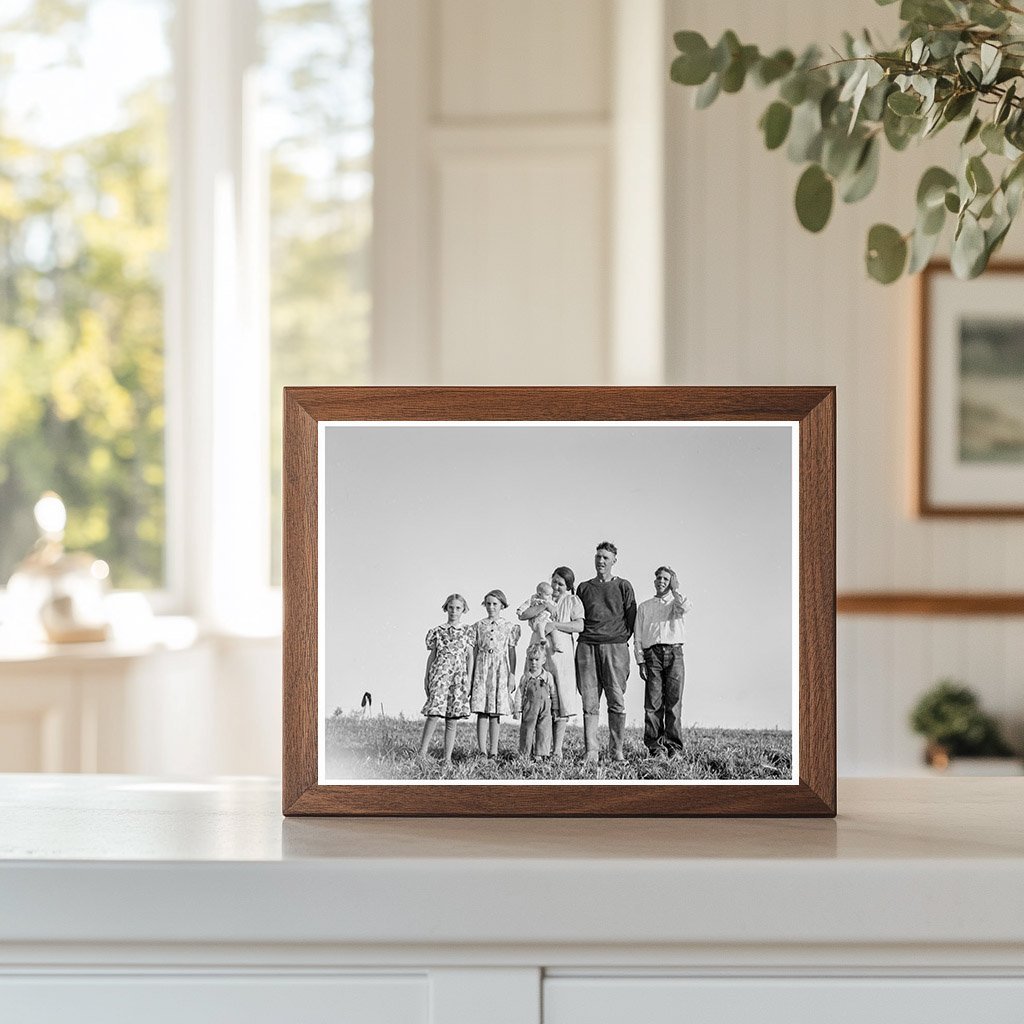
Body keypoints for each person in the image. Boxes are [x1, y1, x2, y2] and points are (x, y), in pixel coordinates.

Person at [575, 541, 636, 763]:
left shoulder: (624, 586)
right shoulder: (583, 588)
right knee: (589, 702)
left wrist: (617, 639)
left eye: (605, 558)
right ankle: (591, 751)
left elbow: (632, 620)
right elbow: (576, 617)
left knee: (616, 700)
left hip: (616, 648)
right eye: (598, 557)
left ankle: (616, 751)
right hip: (587, 647)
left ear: (614, 561)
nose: (601, 561)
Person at [633, 566, 692, 758]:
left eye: (666, 579)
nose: (661, 581)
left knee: (674, 703)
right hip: (652, 656)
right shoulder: (645, 607)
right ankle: (656, 748)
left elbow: (685, 606)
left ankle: (674, 747)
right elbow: (638, 637)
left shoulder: (676, 603)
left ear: (672, 582)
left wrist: (675, 589)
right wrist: (641, 661)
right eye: (659, 578)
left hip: (674, 653)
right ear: (654, 581)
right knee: (653, 703)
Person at [418, 593, 475, 762]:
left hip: (458, 678)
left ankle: (447, 758)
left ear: (463, 609)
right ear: (446, 608)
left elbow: (470, 656)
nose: (454, 611)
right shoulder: (437, 631)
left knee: (452, 718)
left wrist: (469, 680)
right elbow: (432, 656)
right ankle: (421, 753)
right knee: (434, 714)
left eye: (458, 608)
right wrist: (427, 677)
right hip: (440, 675)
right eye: (451, 607)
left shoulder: (467, 631)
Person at [539, 566, 584, 759]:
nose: (556, 586)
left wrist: (555, 625)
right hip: (542, 652)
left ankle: (557, 749)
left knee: (562, 700)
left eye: (561, 583)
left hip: (562, 654)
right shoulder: (543, 599)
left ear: (568, 586)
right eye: (554, 581)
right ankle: (541, 748)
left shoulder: (572, 600)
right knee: (543, 700)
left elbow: (579, 625)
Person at [470, 589, 520, 758]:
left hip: (500, 668)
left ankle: (494, 751)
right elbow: (474, 651)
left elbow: (511, 652)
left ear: (502, 606)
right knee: (482, 710)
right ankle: (482, 750)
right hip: (482, 667)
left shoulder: (508, 626)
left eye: (495, 604)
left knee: (495, 711)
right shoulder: (478, 626)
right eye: (489, 604)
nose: (491, 607)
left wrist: (512, 674)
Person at [516, 644, 556, 759]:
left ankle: (540, 753)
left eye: (537, 659)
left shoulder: (547, 676)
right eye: (531, 659)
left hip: (545, 708)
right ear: (527, 660)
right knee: (527, 730)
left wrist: (555, 708)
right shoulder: (526, 677)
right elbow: (519, 692)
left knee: (544, 730)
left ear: (543, 660)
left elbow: (553, 693)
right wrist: (517, 709)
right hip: (529, 707)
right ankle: (525, 753)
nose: (533, 662)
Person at [516, 581, 556, 650]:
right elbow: (525, 605)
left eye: (550, 595)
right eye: (547, 595)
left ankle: (556, 644)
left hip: (546, 619)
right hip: (538, 620)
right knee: (540, 625)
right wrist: (520, 610)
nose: (549, 597)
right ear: (539, 594)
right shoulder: (533, 600)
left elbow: (554, 609)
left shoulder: (550, 601)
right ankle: (542, 638)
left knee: (554, 630)